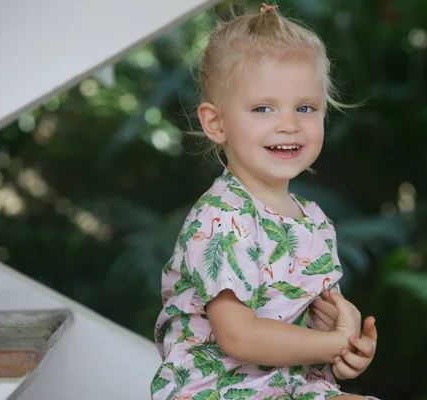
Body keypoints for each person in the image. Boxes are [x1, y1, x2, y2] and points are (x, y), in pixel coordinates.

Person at [151, 3, 378, 399]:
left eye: (305, 107)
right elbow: (239, 337)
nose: (289, 123)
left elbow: (322, 323)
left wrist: (349, 338)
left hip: (285, 386)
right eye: (263, 108)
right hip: (217, 390)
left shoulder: (314, 221)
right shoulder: (221, 217)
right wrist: (335, 343)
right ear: (216, 123)